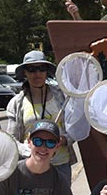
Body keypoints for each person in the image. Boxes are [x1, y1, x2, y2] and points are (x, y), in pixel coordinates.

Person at [5, 50, 74, 183]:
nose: (37, 74)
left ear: (46, 71)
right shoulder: (16, 103)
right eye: (31, 69)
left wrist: (64, 140)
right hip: (31, 166)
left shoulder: (62, 96)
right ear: (24, 72)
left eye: (41, 69)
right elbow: (11, 139)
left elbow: (75, 127)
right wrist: (29, 151)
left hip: (60, 164)